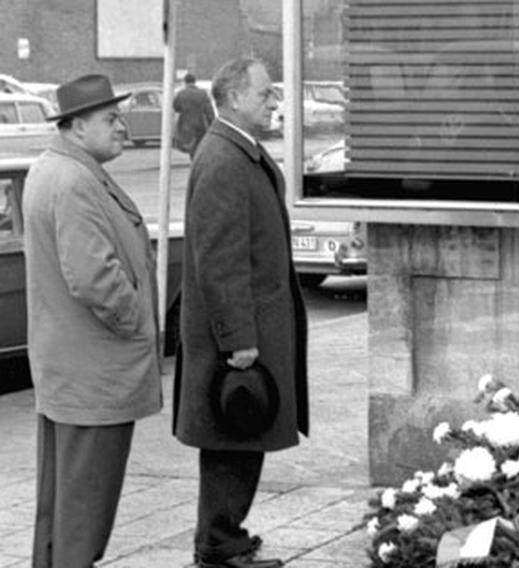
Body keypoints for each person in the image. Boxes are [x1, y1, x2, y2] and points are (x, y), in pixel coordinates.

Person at [22, 74, 162, 567]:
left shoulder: (54, 168)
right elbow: (93, 278)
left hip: (71, 374)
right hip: (94, 377)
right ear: (77, 126)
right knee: (83, 516)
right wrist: (138, 323)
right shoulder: (76, 180)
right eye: (110, 119)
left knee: (60, 514)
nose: (122, 127)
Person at [173, 57, 308, 568]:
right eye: (265, 93)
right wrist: (237, 340)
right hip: (240, 339)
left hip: (252, 330)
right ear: (232, 98)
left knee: (242, 434)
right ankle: (218, 545)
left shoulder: (236, 151)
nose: (274, 103)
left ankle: (225, 537)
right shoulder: (225, 158)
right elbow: (220, 261)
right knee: (234, 435)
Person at [173, 73, 215, 158]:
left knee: (189, 145)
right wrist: (212, 124)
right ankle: (197, 159)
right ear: (194, 82)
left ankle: (193, 160)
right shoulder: (202, 93)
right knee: (199, 146)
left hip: (186, 124)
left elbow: (176, 107)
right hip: (200, 124)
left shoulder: (181, 93)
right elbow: (209, 111)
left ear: (185, 82)